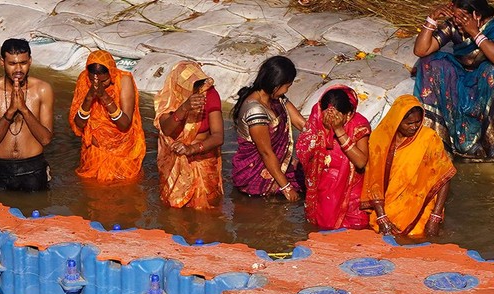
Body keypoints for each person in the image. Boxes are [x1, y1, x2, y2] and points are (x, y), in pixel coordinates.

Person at [413, 0, 494, 162]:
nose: (457, 20)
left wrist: (475, 33)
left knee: (493, 72)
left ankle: (487, 144)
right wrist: (432, 18)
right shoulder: (454, 26)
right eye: (455, 15)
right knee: (430, 62)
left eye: (463, 16)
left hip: (489, 78)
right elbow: (421, 50)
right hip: (464, 76)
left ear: (477, 14)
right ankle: (439, 139)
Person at [362, 95, 456, 238]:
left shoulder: (428, 139)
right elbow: (374, 180)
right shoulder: (379, 139)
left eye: (418, 122)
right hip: (388, 205)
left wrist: (435, 217)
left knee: (417, 236)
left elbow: (444, 176)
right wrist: (381, 217)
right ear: (397, 121)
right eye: (409, 123)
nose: (414, 127)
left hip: (420, 205)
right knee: (378, 234)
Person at [0, 38, 54, 192]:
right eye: (12, 64)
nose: (18, 69)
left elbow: (46, 139)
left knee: (37, 213)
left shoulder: (42, 90)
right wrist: (11, 111)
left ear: (30, 61)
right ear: (2, 62)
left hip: (33, 168)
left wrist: (25, 110)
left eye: (23, 63)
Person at [232, 56, 306, 201]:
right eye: (287, 86)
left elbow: (301, 124)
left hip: (274, 163)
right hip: (255, 173)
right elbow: (266, 152)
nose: (287, 90)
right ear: (276, 85)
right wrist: (286, 188)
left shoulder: (277, 99)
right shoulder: (255, 110)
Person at [296, 86, 370, 230]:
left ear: (348, 114)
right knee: (320, 229)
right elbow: (305, 154)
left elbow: (361, 162)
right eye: (327, 117)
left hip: (350, 192)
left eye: (336, 117)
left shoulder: (358, 125)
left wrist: (339, 130)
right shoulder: (316, 120)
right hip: (323, 189)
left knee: (354, 232)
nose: (330, 120)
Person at [153, 61, 224, 209]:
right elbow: (166, 129)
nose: (198, 90)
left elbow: (218, 136)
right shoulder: (169, 98)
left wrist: (191, 149)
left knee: (205, 211)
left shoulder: (209, 94)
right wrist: (184, 108)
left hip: (203, 161)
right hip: (174, 163)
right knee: (174, 210)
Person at [69, 50, 145, 183]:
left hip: (123, 150)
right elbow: (78, 124)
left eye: (104, 80)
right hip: (95, 149)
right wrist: (89, 97)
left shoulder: (123, 81)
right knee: (94, 189)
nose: (98, 84)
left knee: (125, 188)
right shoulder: (84, 80)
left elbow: (125, 123)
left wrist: (104, 96)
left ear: (112, 72)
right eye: (93, 80)